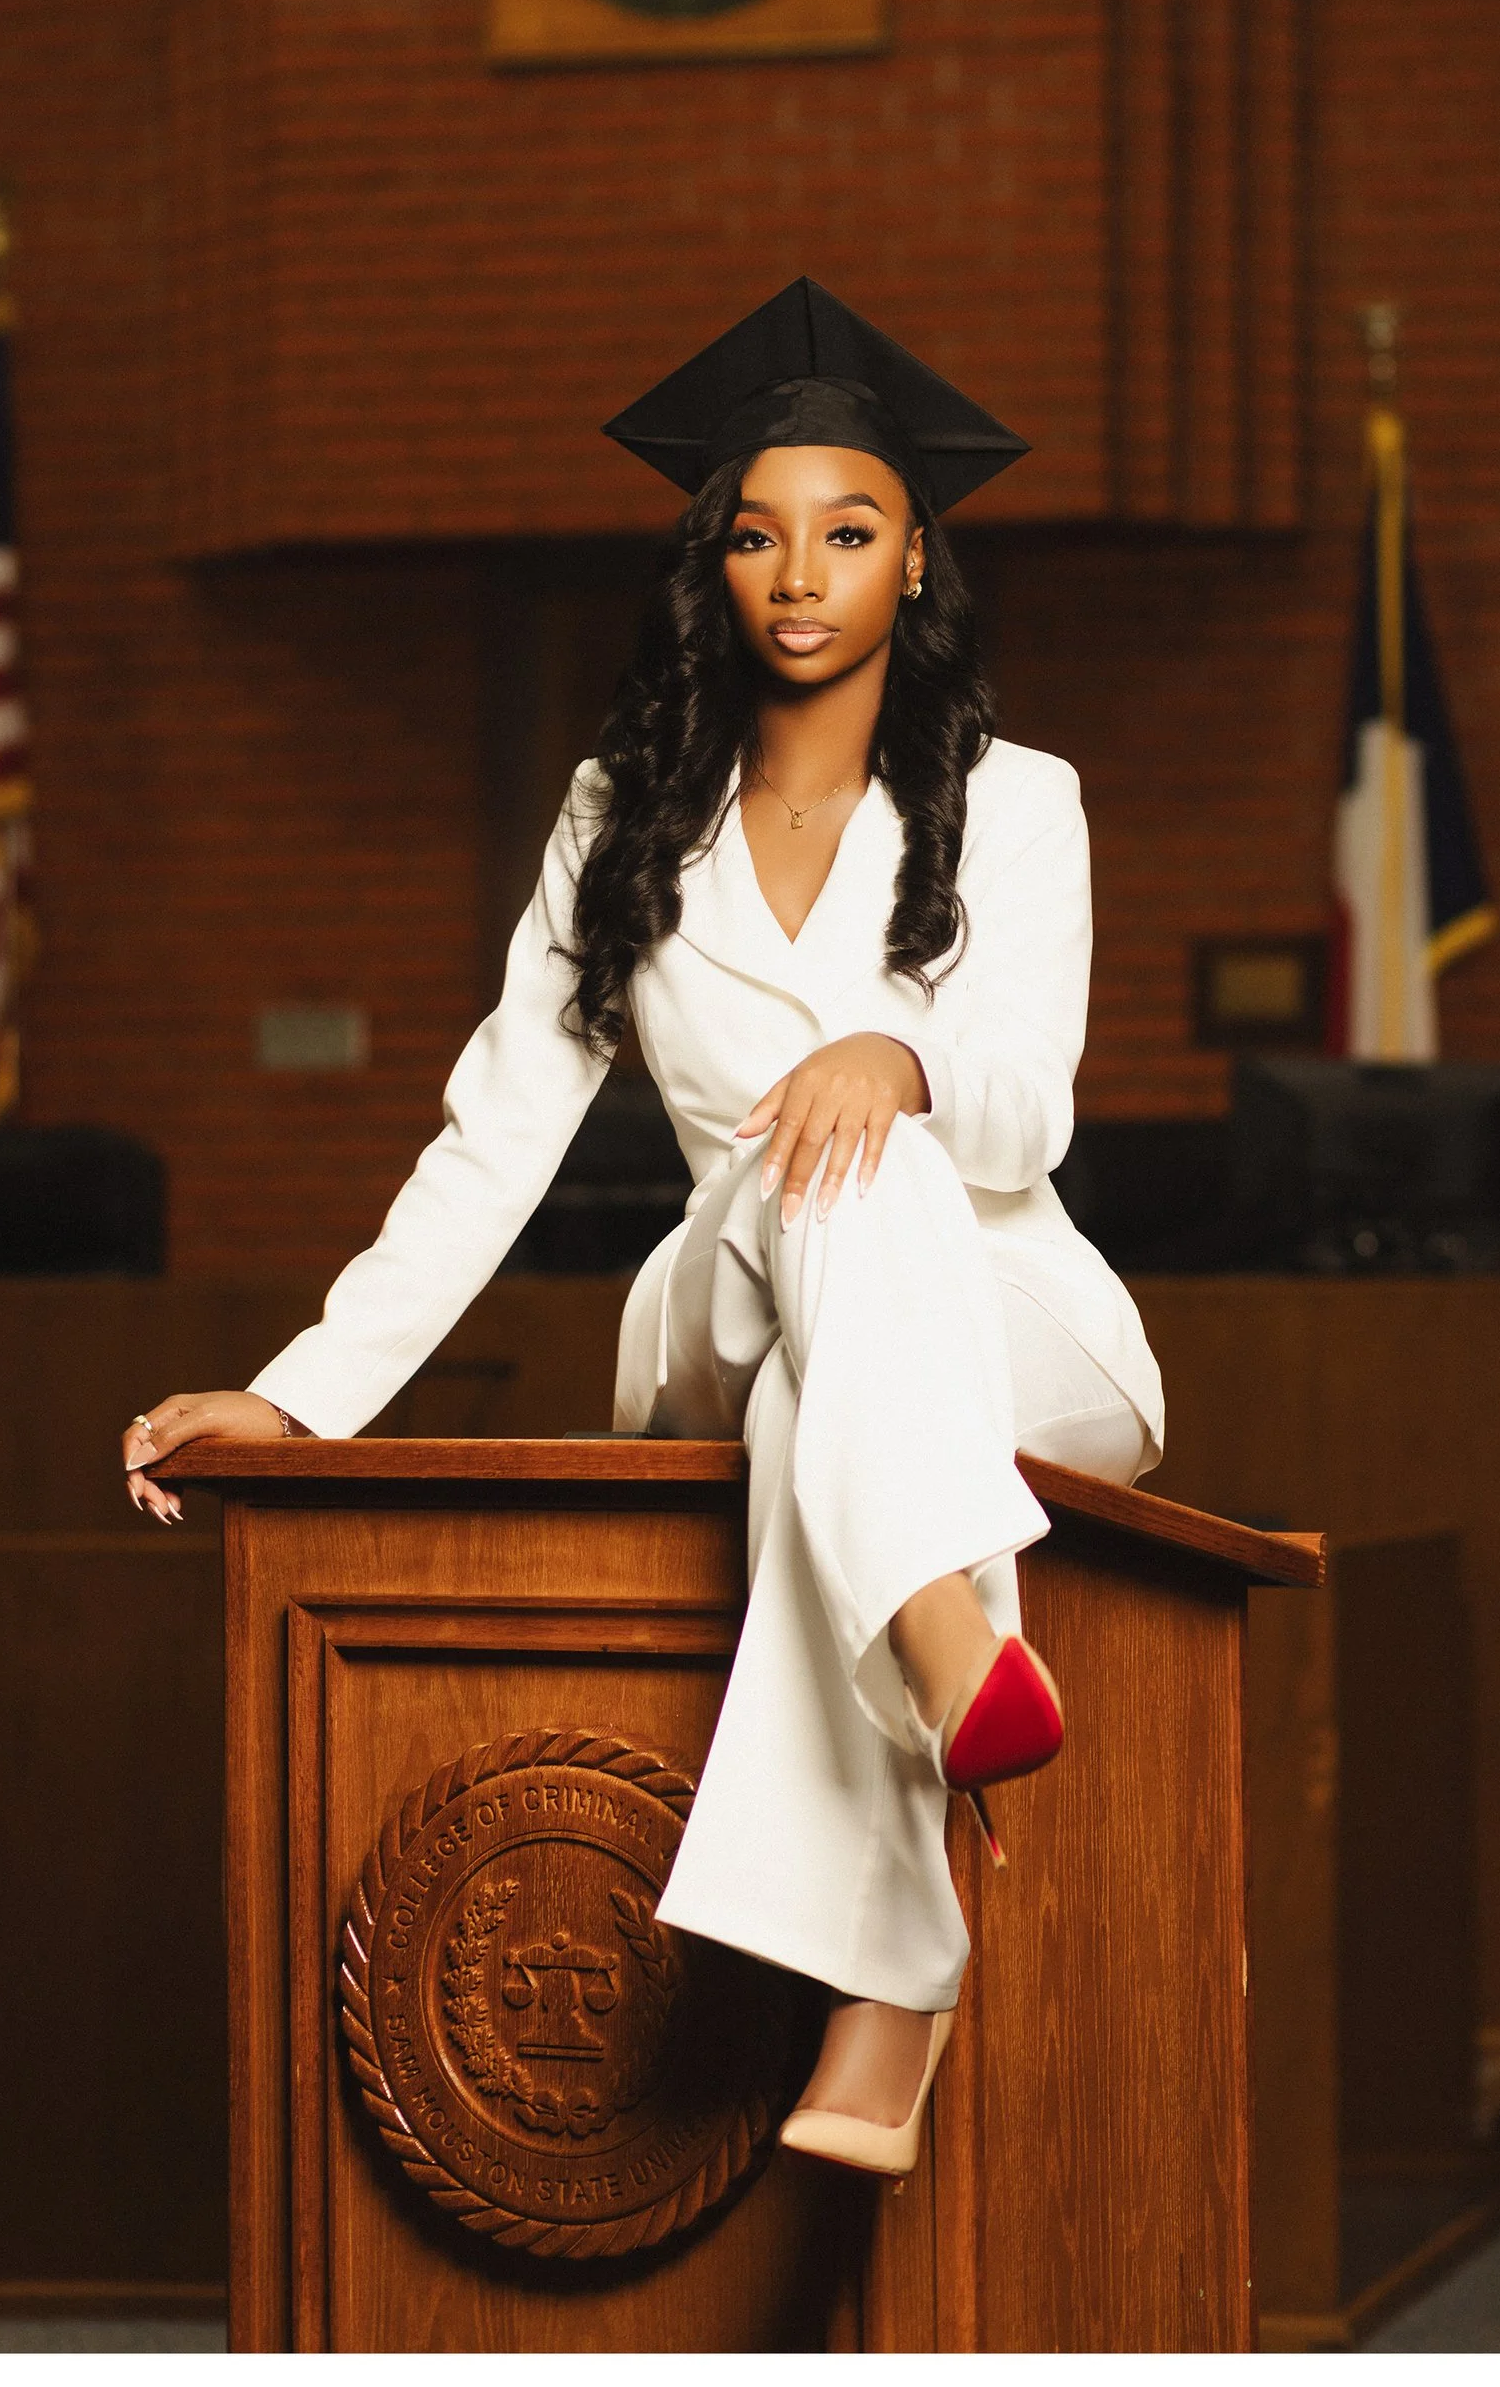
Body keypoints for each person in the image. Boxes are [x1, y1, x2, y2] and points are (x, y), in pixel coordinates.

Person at [121, 278, 1163, 2177]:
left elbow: (1034, 1100)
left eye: (849, 532)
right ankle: (939, 1640)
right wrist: (305, 1398)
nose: (800, 573)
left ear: (915, 556)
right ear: (716, 559)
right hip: (725, 1288)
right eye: (758, 533)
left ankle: (892, 1975)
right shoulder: (623, 817)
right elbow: (494, 1135)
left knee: (854, 1252)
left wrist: (896, 1055)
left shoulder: (1022, 807)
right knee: (797, 1179)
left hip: (1013, 1310)